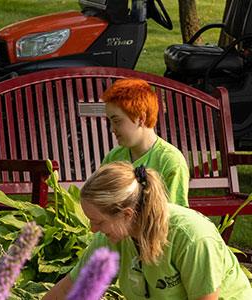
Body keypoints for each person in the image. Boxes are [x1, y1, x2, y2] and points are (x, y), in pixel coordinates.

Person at [43, 162, 252, 300]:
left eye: (98, 221)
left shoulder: (191, 237)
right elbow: (69, 290)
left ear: (126, 214)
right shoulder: (110, 238)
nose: (92, 228)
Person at [101, 78, 190, 207]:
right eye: (110, 121)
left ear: (141, 118)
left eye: (117, 121)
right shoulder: (114, 157)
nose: (112, 129)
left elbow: (175, 216)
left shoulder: (170, 161)